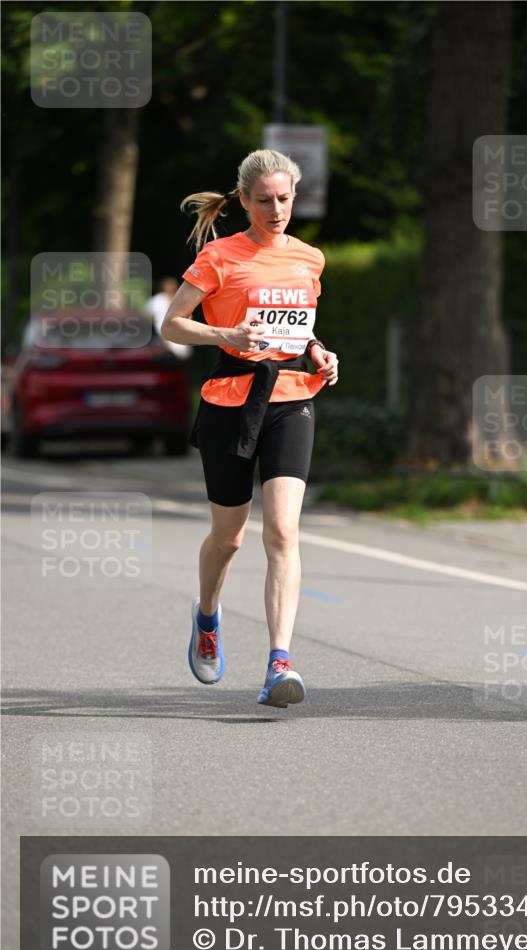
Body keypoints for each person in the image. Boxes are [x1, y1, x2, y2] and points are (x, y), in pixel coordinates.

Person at [161, 149, 338, 708]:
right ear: (243, 200)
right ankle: (207, 617)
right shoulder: (219, 257)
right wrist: (225, 337)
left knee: (283, 532)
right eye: (264, 200)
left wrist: (318, 352)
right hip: (231, 401)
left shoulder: (309, 258)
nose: (277, 209)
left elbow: (301, 328)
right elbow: (173, 323)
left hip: (290, 399)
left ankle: (279, 663)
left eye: (285, 198)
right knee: (230, 537)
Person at [144, 277, 193, 359]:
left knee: (181, 358)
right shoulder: (157, 300)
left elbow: (189, 318)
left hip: (179, 336)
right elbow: (145, 315)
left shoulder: (181, 300)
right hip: (161, 337)